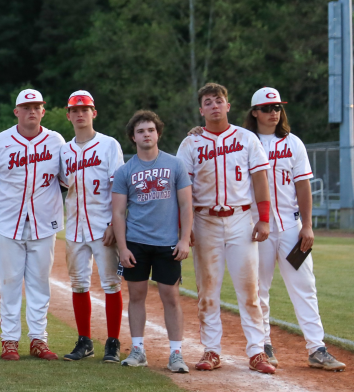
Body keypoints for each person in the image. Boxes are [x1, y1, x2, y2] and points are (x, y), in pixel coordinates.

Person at [177, 83, 276, 374]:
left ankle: (257, 350)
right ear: (201, 110)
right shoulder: (191, 143)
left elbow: (260, 180)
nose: (214, 106)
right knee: (207, 290)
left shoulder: (246, 138)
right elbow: (183, 189)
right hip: (204, 220)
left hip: (241, 219)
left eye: (219, 100)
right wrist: (185, 226)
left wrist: (264, 218)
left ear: (228, 106)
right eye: (208, 102)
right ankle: (211, 349)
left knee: (249, 289)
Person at [244, 88, 345, 371]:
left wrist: (307, 225)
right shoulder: (244, 142)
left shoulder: (293, 142)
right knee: (259, 289)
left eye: (277, 107)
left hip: (291, 226)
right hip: (258, 228)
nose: (273, 113)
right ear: (255, 112)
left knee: (305, 287)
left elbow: (303, 186)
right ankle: (264, 345)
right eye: (267, 108)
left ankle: (317, 348)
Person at [0, 89, 66, 362]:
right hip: (9, 221)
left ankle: (38, 339)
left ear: (43, 111)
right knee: (9, 282)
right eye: (26, 106)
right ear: (16, 112)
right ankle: (9, 340)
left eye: (37, 106)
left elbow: (65, 178)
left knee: (39, 283)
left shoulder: (56, 141)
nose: (32, 111)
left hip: (44, 222)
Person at [112, 111, 193, 372]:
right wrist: (123, 248)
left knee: (171, 296)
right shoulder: (125, 171)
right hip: (136, 242)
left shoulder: (175, 164)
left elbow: (186, 205)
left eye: (150, 130)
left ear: (158, 133)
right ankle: (138, 350)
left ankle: (176, 353)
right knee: (137, 295)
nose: (146, 134)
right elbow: (118, 213)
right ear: (133, 137)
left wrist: (184, 239)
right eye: (140, 131)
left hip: (167, 242)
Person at [59, 91, 126, 363]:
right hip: (75, 225)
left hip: (103, 225)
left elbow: (119, 187)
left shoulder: (109, 145)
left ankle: (113, 342)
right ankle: (84, 341)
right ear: (68, 116)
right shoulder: (64, 150)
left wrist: (113, 223)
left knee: (111, 283)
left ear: (93, 113)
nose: (80, 114)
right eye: (75, 110)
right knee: (78, 284)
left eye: (85, 109)